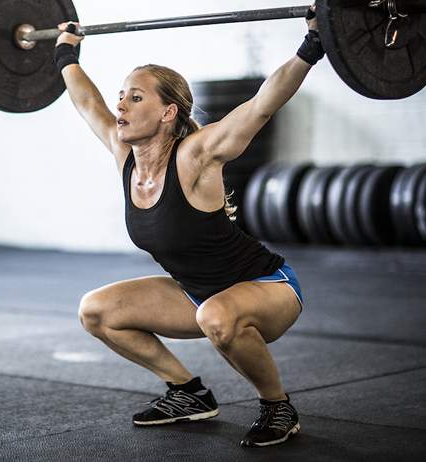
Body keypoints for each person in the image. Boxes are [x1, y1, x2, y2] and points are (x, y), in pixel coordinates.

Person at [54, 5, 324, 448]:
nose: (120, 104)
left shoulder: (194, 156)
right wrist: (66, 54)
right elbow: (87, 102)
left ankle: (277, 405)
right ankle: (187, 393)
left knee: (216, 316)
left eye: (136, 97)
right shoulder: (125, 159)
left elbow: (261, 106)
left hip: (266, 287)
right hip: (196, 295)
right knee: (96, 310)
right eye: (122, 94)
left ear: (167, 113)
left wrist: (313, 45)